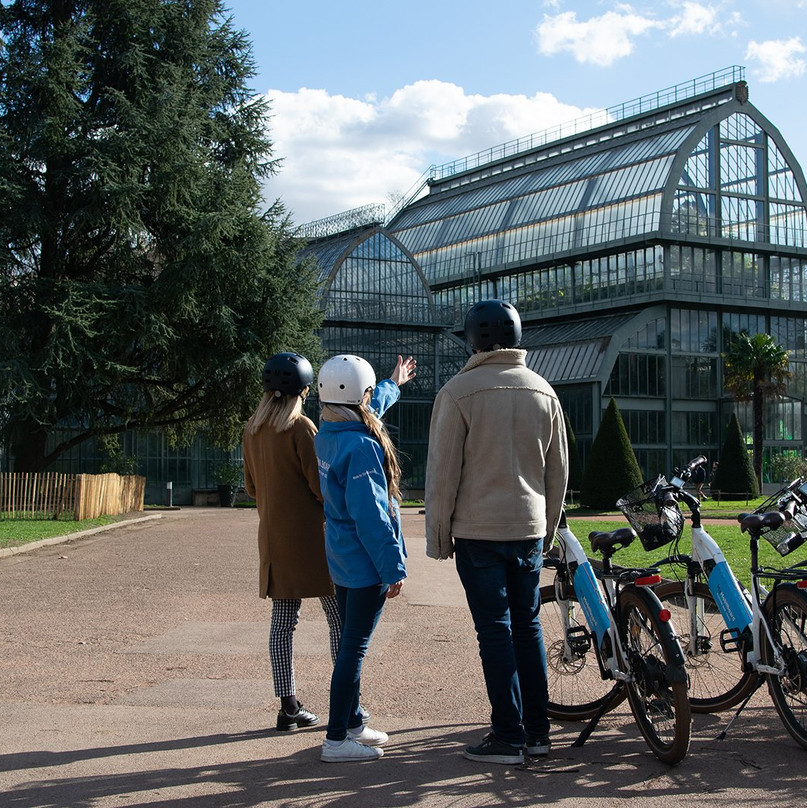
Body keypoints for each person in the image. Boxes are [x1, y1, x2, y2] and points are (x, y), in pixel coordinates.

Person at [425, 299, 568, 766]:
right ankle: (538, 732)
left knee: (495, 631)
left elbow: (443, 473)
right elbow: (557, 473)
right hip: (527, 526)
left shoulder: (459, 391)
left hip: (477, 529)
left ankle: (507, 734)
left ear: (473, 339)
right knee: (528, 628)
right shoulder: (544, 391)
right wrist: (546, 530)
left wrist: (438, 535)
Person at [242, 352, 414, 734]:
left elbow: (252, 487)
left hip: (273, 540)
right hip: (316, 540)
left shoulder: (251, 430)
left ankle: (288, 704)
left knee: (283, 623)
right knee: (342, 624)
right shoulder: (302, 428)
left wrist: (391, 386)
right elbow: (324, 488)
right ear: (304, 390)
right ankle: (348, 704)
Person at [314, 354, 413, 763]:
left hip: (340, 555)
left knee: (350, 645)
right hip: (364, 561)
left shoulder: (329, 431)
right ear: (360, 395)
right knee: (353, 648)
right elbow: (371, 516)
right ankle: (336, 739)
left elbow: (370, 406)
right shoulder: (360, 445)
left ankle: (352, 721)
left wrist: (393, 383)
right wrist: (393, 567)